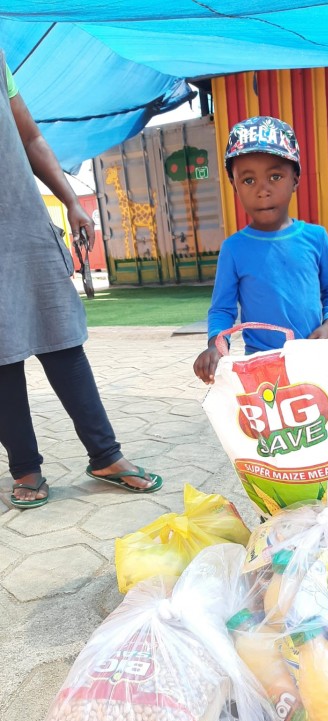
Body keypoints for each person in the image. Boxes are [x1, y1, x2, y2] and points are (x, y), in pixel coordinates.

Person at [0, 53, 163, 509]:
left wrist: (71, 201)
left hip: (24, 224)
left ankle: (106, 456)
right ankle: (25, 468)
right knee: (1, 358)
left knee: (63, 340)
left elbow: (30, 136)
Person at [193, 115, 328, 385]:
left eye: (275, 176)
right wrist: (216, 345)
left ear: (295, 179)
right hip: (261, 371)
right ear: (234, 185)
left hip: (314, 361)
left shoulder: (315, 238)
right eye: (248, 180)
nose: (262, 190)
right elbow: (222, 309)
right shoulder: (234, 249)